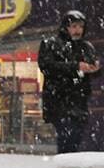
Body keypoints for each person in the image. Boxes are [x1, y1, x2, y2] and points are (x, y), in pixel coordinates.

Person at [39, 10, 100, 153]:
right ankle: (65, 164)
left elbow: (92, 69)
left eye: (80, 27)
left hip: (79, 101)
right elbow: (47, 66)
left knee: (74, 139)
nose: (78, 30)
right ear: (65, 27)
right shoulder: (51, 44)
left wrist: (94, 68)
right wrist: (76, 66)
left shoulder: (86, 47)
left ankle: (68, 163)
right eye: (74, 26)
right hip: (59, 100)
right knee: (67, 138)